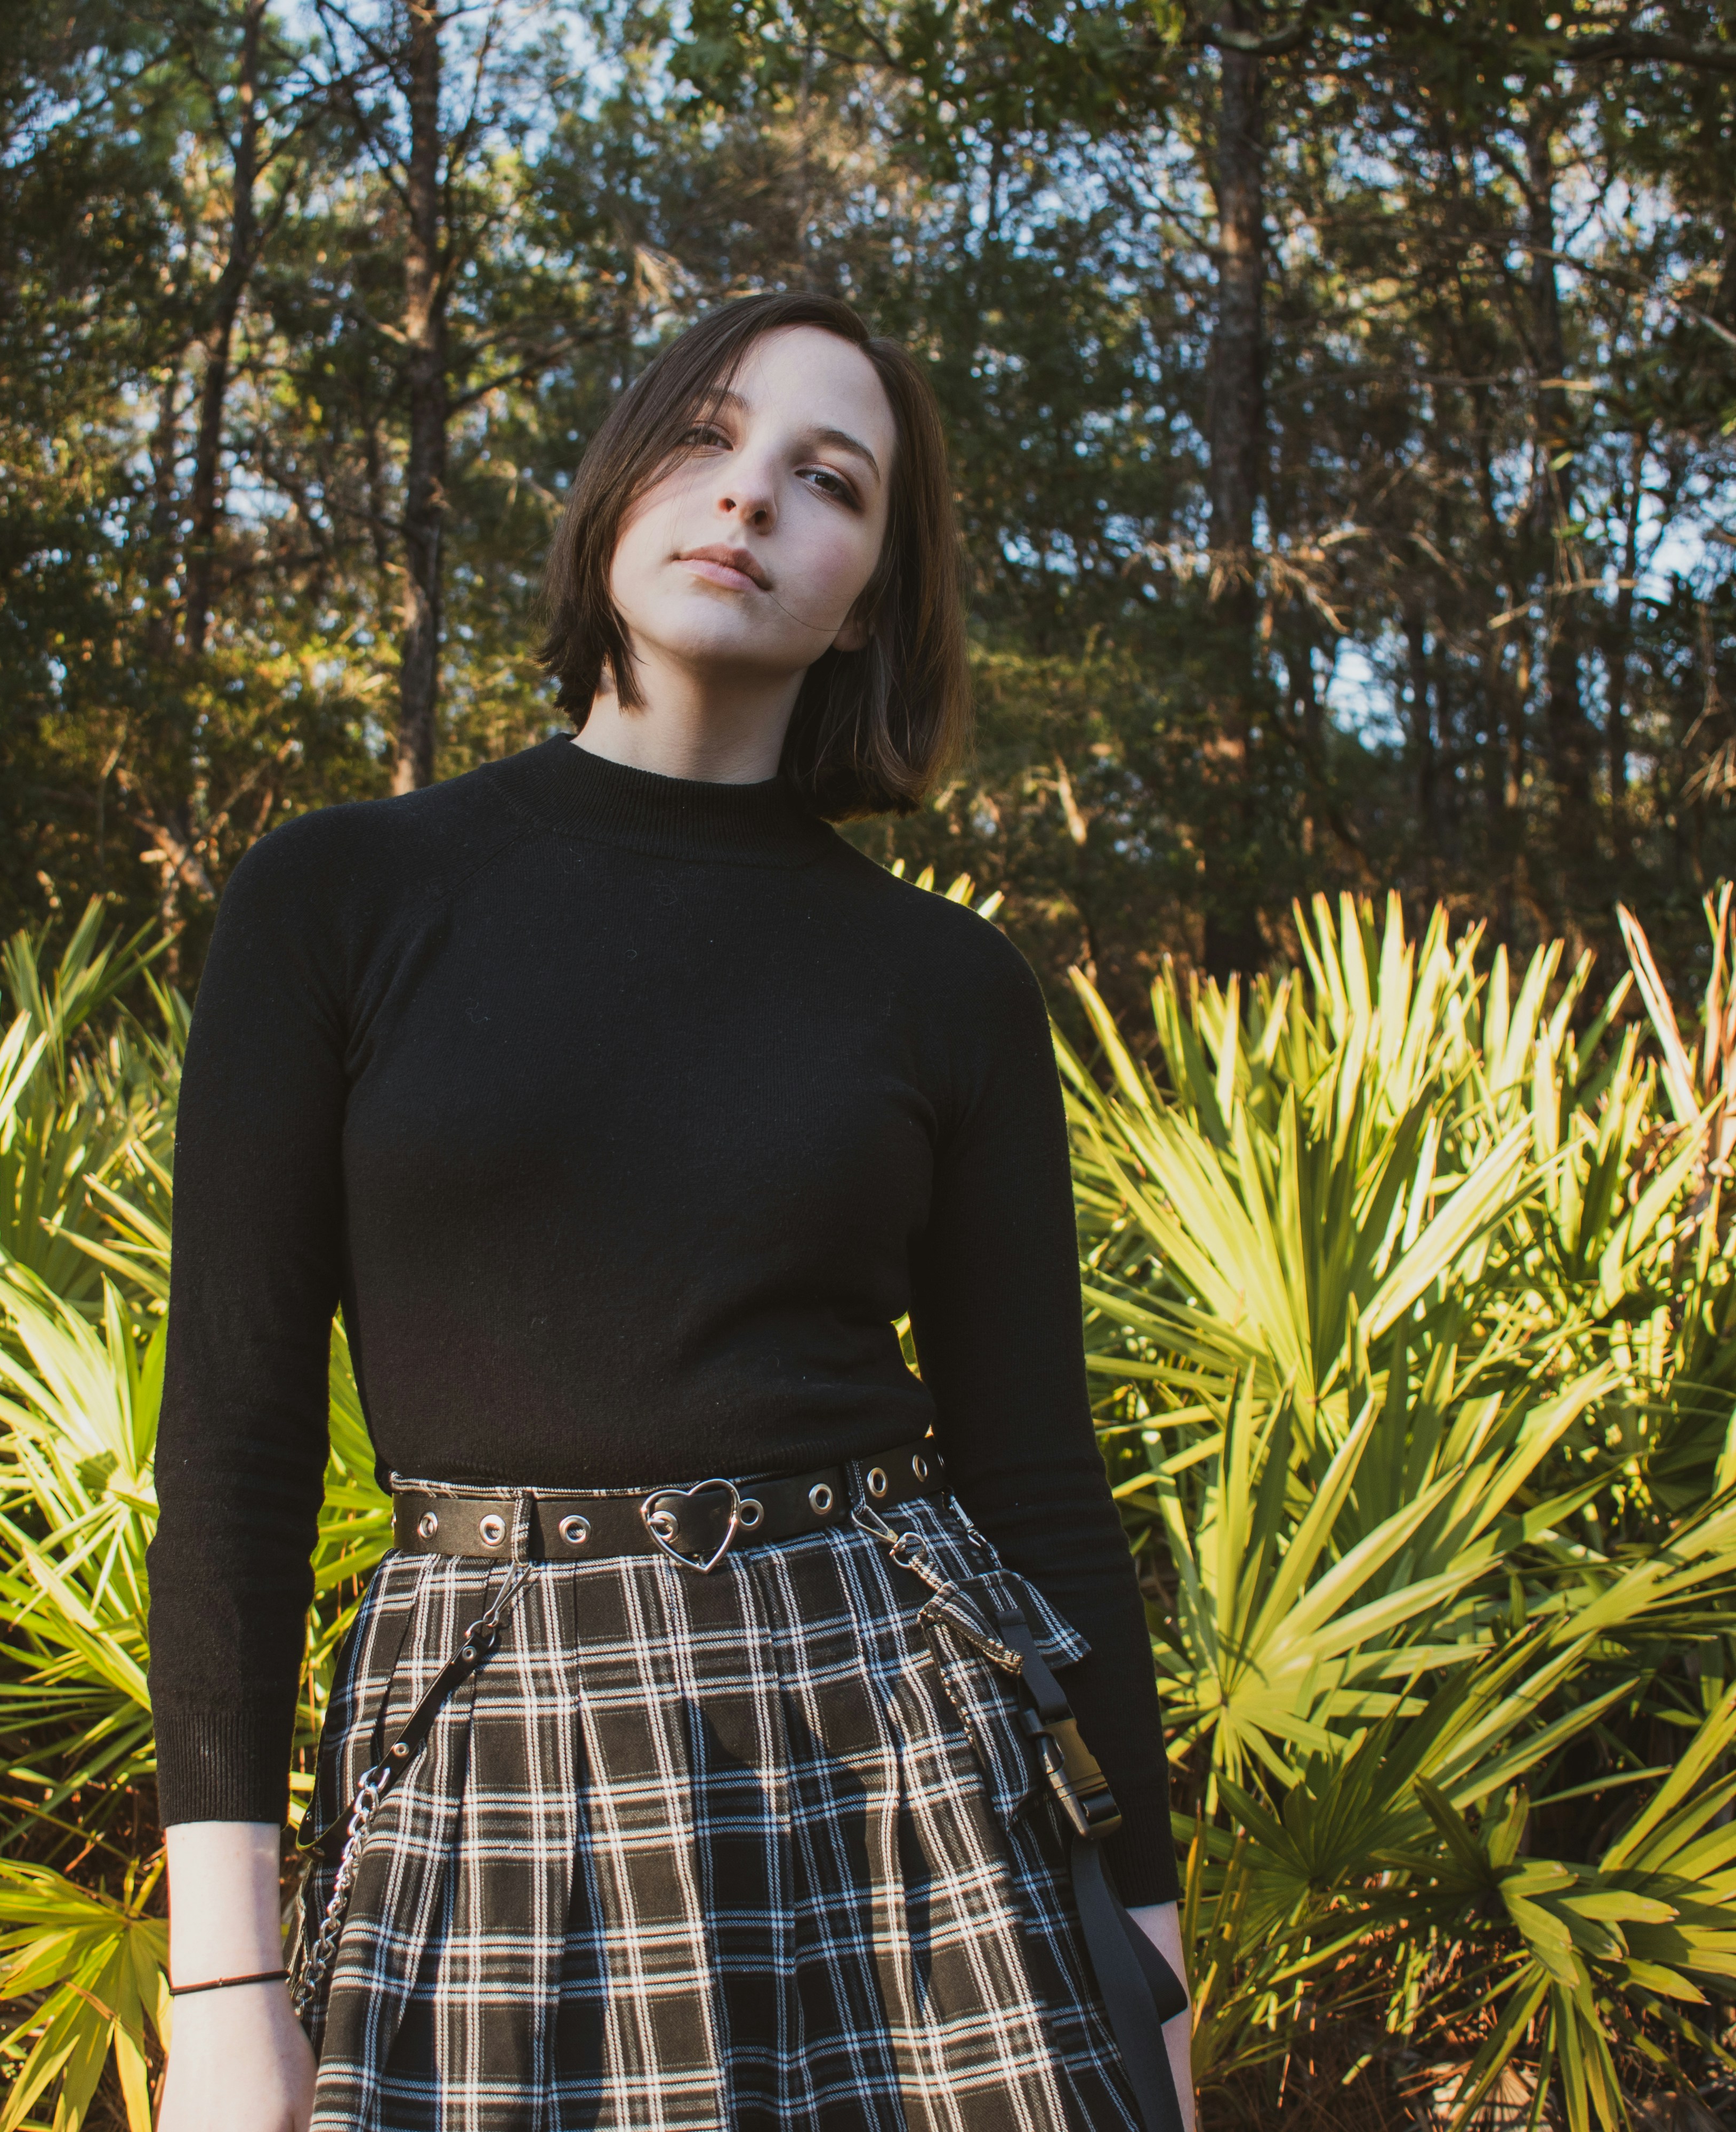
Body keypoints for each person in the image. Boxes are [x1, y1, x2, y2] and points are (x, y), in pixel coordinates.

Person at [147, 290, 1196, 2132]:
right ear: (619, 489)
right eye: (707, 438)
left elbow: (1040, 1477)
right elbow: (237, 1448)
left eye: (827, 478)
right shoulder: (338, 899)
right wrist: (223, 1983)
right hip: (496, 1760)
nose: (751, 500)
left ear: (870, 587)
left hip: (904, 1774)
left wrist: (1157, 1967)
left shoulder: (944, 982)